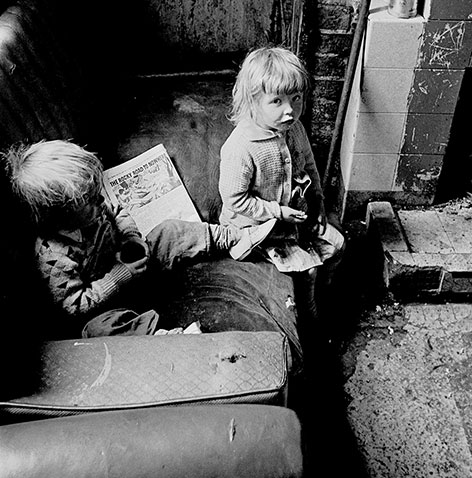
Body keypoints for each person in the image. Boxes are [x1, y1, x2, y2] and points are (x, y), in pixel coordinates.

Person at [3, 139, 274, 337]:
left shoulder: (93, 208)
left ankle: (234, 237)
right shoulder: (54, 256)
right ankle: (165, 338)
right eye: (89, 200)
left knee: (168, 232)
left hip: (130, 263)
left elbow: (118, 212)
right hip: (104, 304)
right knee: (100, 330)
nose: (100, 201)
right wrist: (119, 276)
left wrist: (131, 238)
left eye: (97, 193)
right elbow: (75, 307)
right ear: (57, 217)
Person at [218, 45, 345, 344]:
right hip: (258, 228)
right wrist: (277, 212)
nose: (290, 109)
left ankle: (324, 298)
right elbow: (235, 201)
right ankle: (312, 324)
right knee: (308, 272)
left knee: (338, 244)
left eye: (296, 98)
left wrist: (319, 206)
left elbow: (310, 168)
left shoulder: (293, 128)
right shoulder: (241, 147)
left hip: (294, 219)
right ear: (253, 102)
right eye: (276, 101)